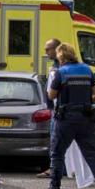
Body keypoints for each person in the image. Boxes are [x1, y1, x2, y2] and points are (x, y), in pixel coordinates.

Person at [39, 43, 95, 189]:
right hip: (85, 117)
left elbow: (51, 96)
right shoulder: (86, 70)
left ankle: (55, 188)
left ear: (61, 56)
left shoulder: (61, 72)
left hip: (66, 119)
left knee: (57, 154)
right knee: (90, 153)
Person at [37, 38, 61, 179]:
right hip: (54, 109)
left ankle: (54, 170)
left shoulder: (59, 66)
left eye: (48, 49)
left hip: (57, 109)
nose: (46, 52)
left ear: (56, 49)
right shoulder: (55, 64)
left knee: (55, 141)